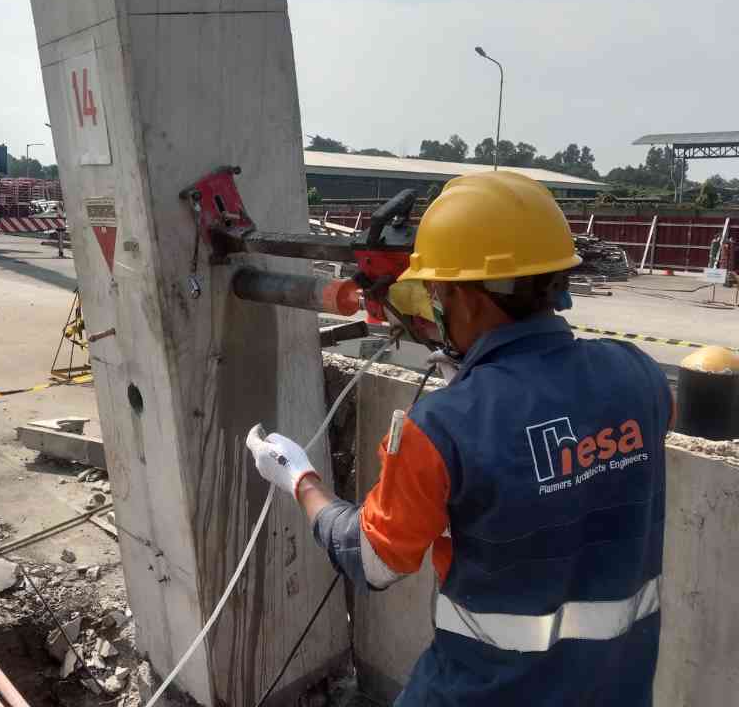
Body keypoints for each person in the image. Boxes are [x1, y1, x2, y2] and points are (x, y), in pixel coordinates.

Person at [247, 171, 671, 707]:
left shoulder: (443, 427)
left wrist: (298, 478)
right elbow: (558, 449)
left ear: (466, 299)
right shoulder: (641, 376)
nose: (434, 308)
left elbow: (372, 561)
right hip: (615, 691)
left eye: (437, 293)